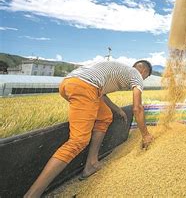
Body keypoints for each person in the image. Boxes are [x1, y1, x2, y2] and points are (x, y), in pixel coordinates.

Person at [25, 60, 154, 197]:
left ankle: (91, 163)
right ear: (144, 72)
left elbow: (101, 94)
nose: (143, 80)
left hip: (69, 83)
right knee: (78, 141)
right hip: (85, 87)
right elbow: (137, 107)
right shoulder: (137, 75)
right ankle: (32, 194)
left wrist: (117, 109)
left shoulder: (121, 70)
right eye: (145, 78)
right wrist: (145, 135)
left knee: (105, 116)